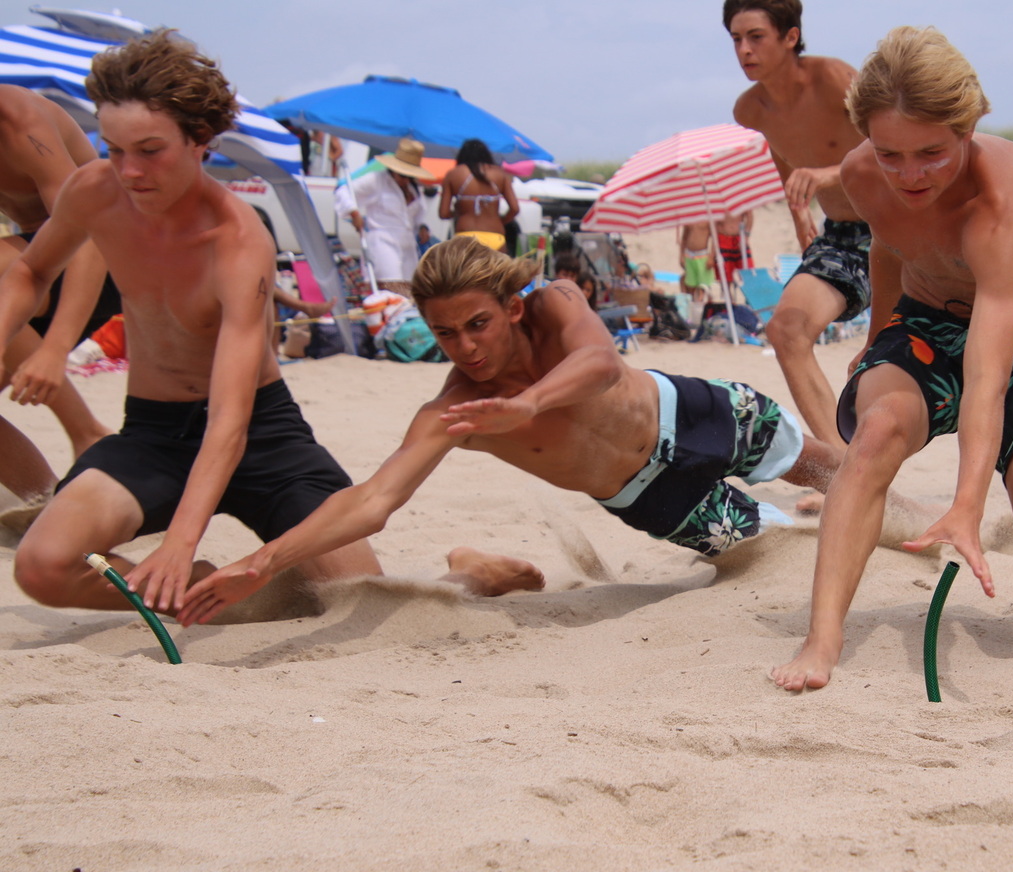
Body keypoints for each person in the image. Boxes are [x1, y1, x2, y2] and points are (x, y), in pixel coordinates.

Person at [176, 238, 906, 625]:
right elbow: (373, 501)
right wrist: (264, 562)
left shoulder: (555, 303)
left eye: (477, 324)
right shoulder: (451, 412)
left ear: (511, 307)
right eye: (445, 334)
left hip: (699, 416)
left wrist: (528, 406)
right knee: (788, 545)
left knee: (844, 478)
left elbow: (596, 361)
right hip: (651, 497)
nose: (465, 347)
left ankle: (931, 535)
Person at [769, 26, 1013, 692]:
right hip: (923, 321)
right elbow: (885, 246)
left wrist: (966, 505)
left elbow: (986, 378)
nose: (909, 175)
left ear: (968, 128)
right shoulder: (860, 174)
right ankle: (822, 641)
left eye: (931, 153)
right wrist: (878, 339)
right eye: (890, 154)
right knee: (875, 431)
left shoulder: (1003, 203)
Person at [0, 30, 380, 615]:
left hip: (261, 436)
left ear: (202, 139)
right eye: (114, 149)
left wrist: (180, 540)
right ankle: (206, 590)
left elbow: (229, 418)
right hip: (154, 434)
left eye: (149, 150)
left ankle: (469, 572)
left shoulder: (237, 239)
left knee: (361, 599)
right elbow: (29, 272)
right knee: (42, 565)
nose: (128, 171)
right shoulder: (95, 192)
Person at [726, 0, 872, 451]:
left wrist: (829, 174)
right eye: (735, 39)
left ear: (790, 37)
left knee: (896, 364)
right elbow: (782, 150)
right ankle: (842, 470)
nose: (744, 50)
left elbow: (896, 146)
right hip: (843, 235)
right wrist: (799, 213)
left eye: (756, 37)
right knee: (786, 331)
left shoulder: (834, 79)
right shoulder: (750, 110)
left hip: (902, 228)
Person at [0, 84, 119, 501]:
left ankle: (84, 429)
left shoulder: (21, 123)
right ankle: (43, 503)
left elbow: (89, 232)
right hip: (36, 270)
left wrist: (55, 348)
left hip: (105, 256)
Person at [345, 138, 435, 296]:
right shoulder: (376, 180)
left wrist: (422, 227)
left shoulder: (413, 188)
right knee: (391, 285)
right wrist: (354, 213)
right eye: (402, 175)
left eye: (409, 175)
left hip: (407, 243)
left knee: (409, 288)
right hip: (383, 240)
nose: (405, 179)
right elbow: (345, 192)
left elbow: (417, 216)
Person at [439, 138, 519, 254]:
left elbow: (443, 213)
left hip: (465, 236)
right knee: (495, 272)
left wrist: (458, 211)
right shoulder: (499, 174)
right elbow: (515, 208)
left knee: (465, 272)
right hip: (494, 235)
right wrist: (500, 221)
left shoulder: (454, 174)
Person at [677, 221, 715, 301]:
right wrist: (681, 255)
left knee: (703, 286)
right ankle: (693, 306)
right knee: (691, 285)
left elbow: (714, 239)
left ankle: (702, 305)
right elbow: (684, 238)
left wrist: (712, 257)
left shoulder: (707, 219)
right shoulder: (689, 219)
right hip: (689, 255)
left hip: (702, 255)